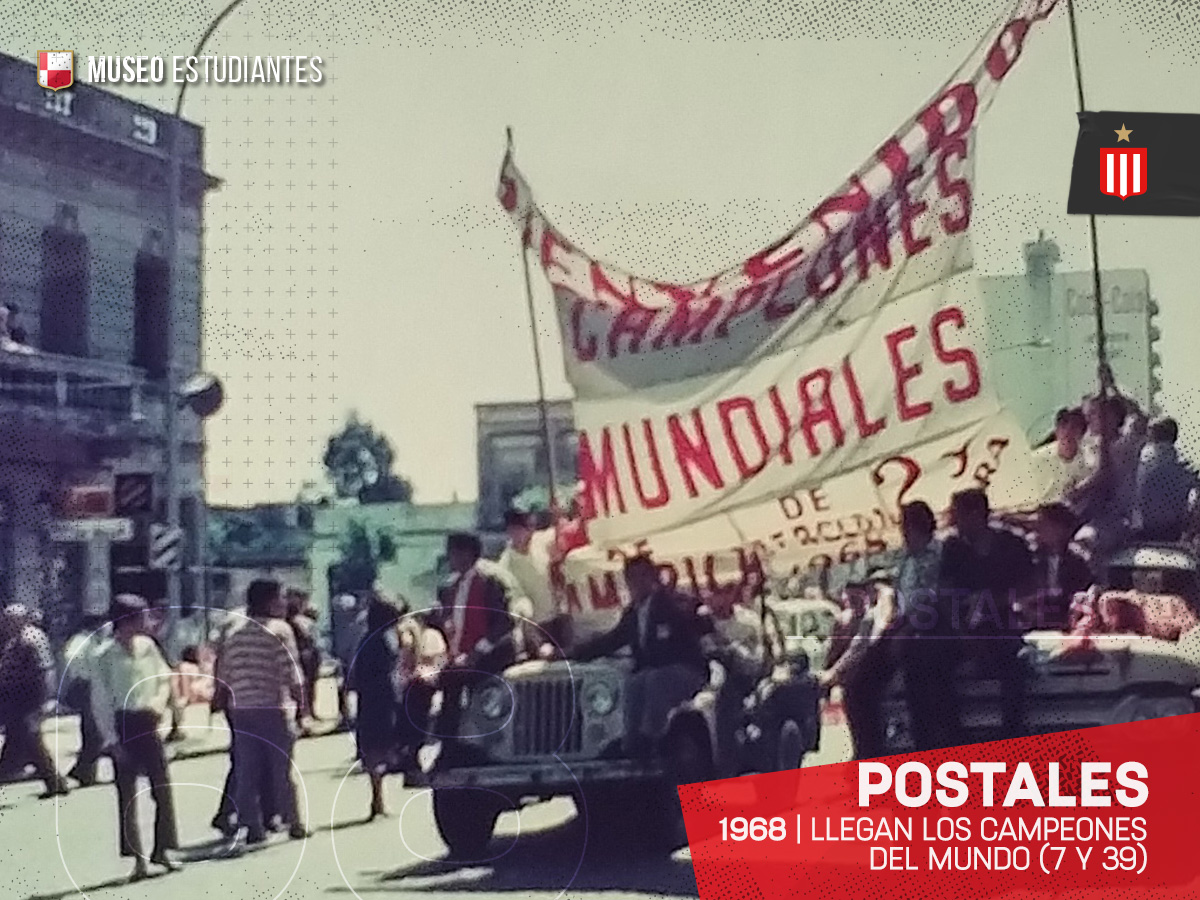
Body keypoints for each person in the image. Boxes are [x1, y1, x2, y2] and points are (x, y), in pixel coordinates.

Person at [571, 554, 711, 759]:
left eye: (641, 578)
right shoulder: (633, 614)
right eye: (631, 580)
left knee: (652, 680)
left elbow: (696, 623)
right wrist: (572, 654)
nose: (636, 585)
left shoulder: (672, 603)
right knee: (633, 682)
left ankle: (651, 737)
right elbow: (612, 640)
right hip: (650, 675)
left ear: (652, 578)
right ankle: (630, 742)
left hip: (688, 671)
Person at [90, 595, 181, 881]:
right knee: (128, 795)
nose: (148, 622)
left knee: (162, 789)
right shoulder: (104, 655)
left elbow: (163, 679)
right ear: (126, 621)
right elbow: (100, 700)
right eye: (142, 617)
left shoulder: (148, 647)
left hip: (148, 719)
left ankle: (163, 850)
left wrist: (159, 704)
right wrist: (111, 740)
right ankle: (138, 860)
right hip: (123, 723)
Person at [214, 579, 308, 848]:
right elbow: (292, 672)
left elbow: (224, 673)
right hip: (272, 706)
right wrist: (303, 708)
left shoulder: (233, 631)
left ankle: (251, 824)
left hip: (242, 708)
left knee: (247, 770)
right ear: (268, 601)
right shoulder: (279, 630)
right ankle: (295, 822)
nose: (283, 603)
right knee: (282, 769)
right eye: (280, 597)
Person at [939, 489, 1036, 740]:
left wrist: (996, 601)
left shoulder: (1012, 544)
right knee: (933, 662)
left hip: (1004, 622)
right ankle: (951, 741)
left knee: (1015, 665)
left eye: (958, 515)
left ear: (976, 514)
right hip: (963, 628)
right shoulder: (953, 548)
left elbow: (1029, 589)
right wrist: (962, 634)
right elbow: (947, 595)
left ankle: (1011, 737)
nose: (954, 522)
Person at [429, 532, 515, 743]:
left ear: (468, 553)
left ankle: (449, 744)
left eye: (454, 553)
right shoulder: (451, 587)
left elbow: (505, 622)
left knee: (452, 680)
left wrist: (477, 651)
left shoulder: (490, 581)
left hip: (492, 654)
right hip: (462, 654)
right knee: (429, 681)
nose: (450, 558)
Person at [890, 501, 958, 752]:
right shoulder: (904, 559)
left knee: (926, 669)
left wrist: (908, 629)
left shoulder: (939, 553)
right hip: (905, 626)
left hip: (934, 629)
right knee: (860, 679)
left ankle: (938, 744)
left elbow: (931, 598)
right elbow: (900, 597)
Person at [0, 604, 69, 797]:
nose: (6, 624)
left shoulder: (31, 639)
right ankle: (56, 783)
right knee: (27, 741)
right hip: (13, 697)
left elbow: (45, 671)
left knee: (27, 739)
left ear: (22, 620)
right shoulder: (12, 639)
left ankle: (55, 782)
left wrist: (45, 702)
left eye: (10, 620)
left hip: (29, 698)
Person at [1069, 395, 1145, 570]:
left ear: (1111, 416)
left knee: (1085, 541)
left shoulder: (1125, 445)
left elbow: (1140, 419)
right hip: (1083, 516)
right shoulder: (1087, 449)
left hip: (1115, 519)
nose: (1089, 420)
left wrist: (1112, 388)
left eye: (1094, 414)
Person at [348, 594, 406, 820]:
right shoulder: (383, 639)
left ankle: (377, 798)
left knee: (373, 749)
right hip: (382, 698)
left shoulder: (366, 639)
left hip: (369, 698)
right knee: (380, 747)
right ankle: (378, 799)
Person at [498, 509, 565, 649]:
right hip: (535, 626)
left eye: (527, 528)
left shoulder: (542, 540)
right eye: (515, 529)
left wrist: (560, 514)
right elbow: (516, 604)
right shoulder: (505, 565)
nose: (521, 534)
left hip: (561, 617)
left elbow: (562, 531)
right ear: (509, 531)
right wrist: (537, 641)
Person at [63, 615, 112, 787]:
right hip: (88, 687)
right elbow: (73, 659)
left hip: (98, 688)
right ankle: (83, 770)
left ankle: (85, 771)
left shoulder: (97, 640)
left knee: (94, 733)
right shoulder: (82, 640)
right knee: (94, 731)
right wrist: (86, 673)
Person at [1029, 503, 1093, 631]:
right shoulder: (1034, 557)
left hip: (1067, 619)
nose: (1037, 529)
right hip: (1037, 618)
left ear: (1060, 529)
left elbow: (1081, 593)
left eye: (1043, 525)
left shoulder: (1077, 560)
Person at [1132, 417, 1197, 542]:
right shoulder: (1184, 465)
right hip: (1172, 528)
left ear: (1151, 436)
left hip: (1140, 527)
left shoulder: (1140, 460)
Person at [1032, 407, 1089, 504]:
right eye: (1064, 426)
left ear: (1082, 433)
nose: (1068, 432)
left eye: (1074, 428)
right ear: (1056, 431)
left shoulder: (1088, 463)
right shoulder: (1037, 459)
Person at [285, 589, 322, 734]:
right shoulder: (296, 622)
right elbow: (307, 638)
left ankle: (307, 714)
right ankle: (303, 717)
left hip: (308, 658)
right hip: (303, 658)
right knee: (304, 688)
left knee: (308, 688)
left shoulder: (299, 621)